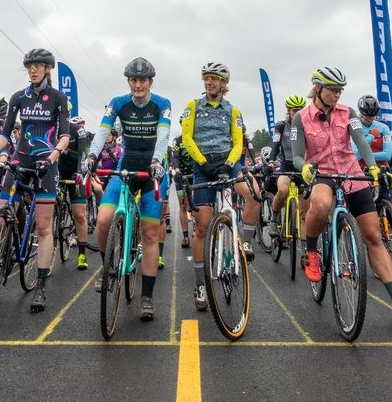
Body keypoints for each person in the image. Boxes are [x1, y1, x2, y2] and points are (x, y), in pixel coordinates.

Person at [291, 66, 392, 330]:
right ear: (317, 89)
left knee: (373, 236)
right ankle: (312, 250)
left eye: (340, 90)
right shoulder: (301, 118)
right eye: (332, 90)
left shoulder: (348, 113)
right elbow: (296, 154)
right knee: (322, 203)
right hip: (322, 173)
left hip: (351, 172)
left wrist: (372, 165)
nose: (337, 95)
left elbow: (360, 140)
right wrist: (302, 166)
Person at [81, 57, 171, 320]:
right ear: (129, 82)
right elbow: (101, 131)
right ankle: (108, 267)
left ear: (150, 82)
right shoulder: (118, 102)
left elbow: (164, 135)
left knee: (150, 233)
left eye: (143, 80)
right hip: (126, 165)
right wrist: (92, 156)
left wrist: (156, 162)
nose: (138, 84)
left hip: (152, 168)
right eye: (133, 80)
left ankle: (147, 296)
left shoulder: (162, 104)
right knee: (104, 219)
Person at [0, 48, 72, 313]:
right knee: (2, 215)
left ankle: (41, 286)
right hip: (19, 161)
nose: (32, 70)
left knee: (44, 228)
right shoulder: (18, 97)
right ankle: (3, 256)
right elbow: (5, 132)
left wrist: (54, 156)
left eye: (37, 66)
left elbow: (65, 135)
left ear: (48, 69)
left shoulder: (58, 98)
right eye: (29, 66)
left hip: (46, 165)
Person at [181, 61, 256, 311]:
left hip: (228, 162)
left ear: (224, 83)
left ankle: (245, 242)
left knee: (254, 194)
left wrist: (228, 164)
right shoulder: (193, 106)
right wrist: (204, 163)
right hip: (202, 166)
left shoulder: (233, 111)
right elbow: (186, 139)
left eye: (214, 78)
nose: (209, 82)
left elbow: (238, 143)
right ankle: (200, 284)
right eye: (206, 78)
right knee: (202, 227)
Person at [55, 114, 94, 271]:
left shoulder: (78, 131)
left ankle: (82, 254)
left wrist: (79, 172)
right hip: (59, 170)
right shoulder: (50, 129)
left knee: (79, 215)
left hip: (76, 172)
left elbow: (84, 154)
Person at [266, 94, 308, 237]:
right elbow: (276, 144)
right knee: (283, 190)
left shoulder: (307, 125)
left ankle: (305, 252)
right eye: (295, 110)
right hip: (286, 165)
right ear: (289, 111)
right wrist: (271, 161)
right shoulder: (281, 125)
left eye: (301, 109)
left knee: (304, 214)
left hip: (302, 167)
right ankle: (273, 220)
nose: (298, 113)